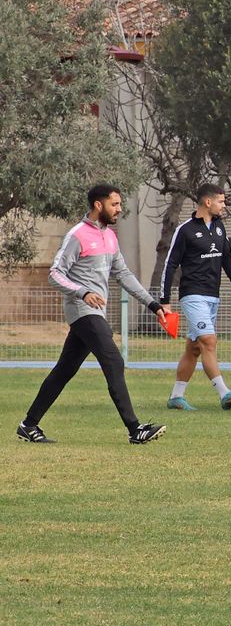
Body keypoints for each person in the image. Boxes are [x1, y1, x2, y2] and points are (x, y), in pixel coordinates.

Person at [18, 184, 171, 445]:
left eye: (120, 204)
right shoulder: (77, 235)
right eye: (115, 204)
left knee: (64, 370)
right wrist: (82, 292)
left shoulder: (109, 236)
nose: (119, 209)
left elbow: (123, 274)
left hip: (95, 313)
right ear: (98, 205)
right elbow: (55, 274)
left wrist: (153, 305)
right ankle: (135, 429)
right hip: (82, 311)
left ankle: (28, 424)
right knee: (114, 361)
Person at [160, 183, 231, 411]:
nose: (224, 205)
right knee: (209, 341)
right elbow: (170, 264)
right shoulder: (185, 230)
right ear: (208, 202)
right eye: (221, 201)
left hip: (212, 296)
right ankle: (225, 394)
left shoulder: (219, 227)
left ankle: (176, 397)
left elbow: (227, 256)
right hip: (192, 295)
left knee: (194, 348)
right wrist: (164, 300)